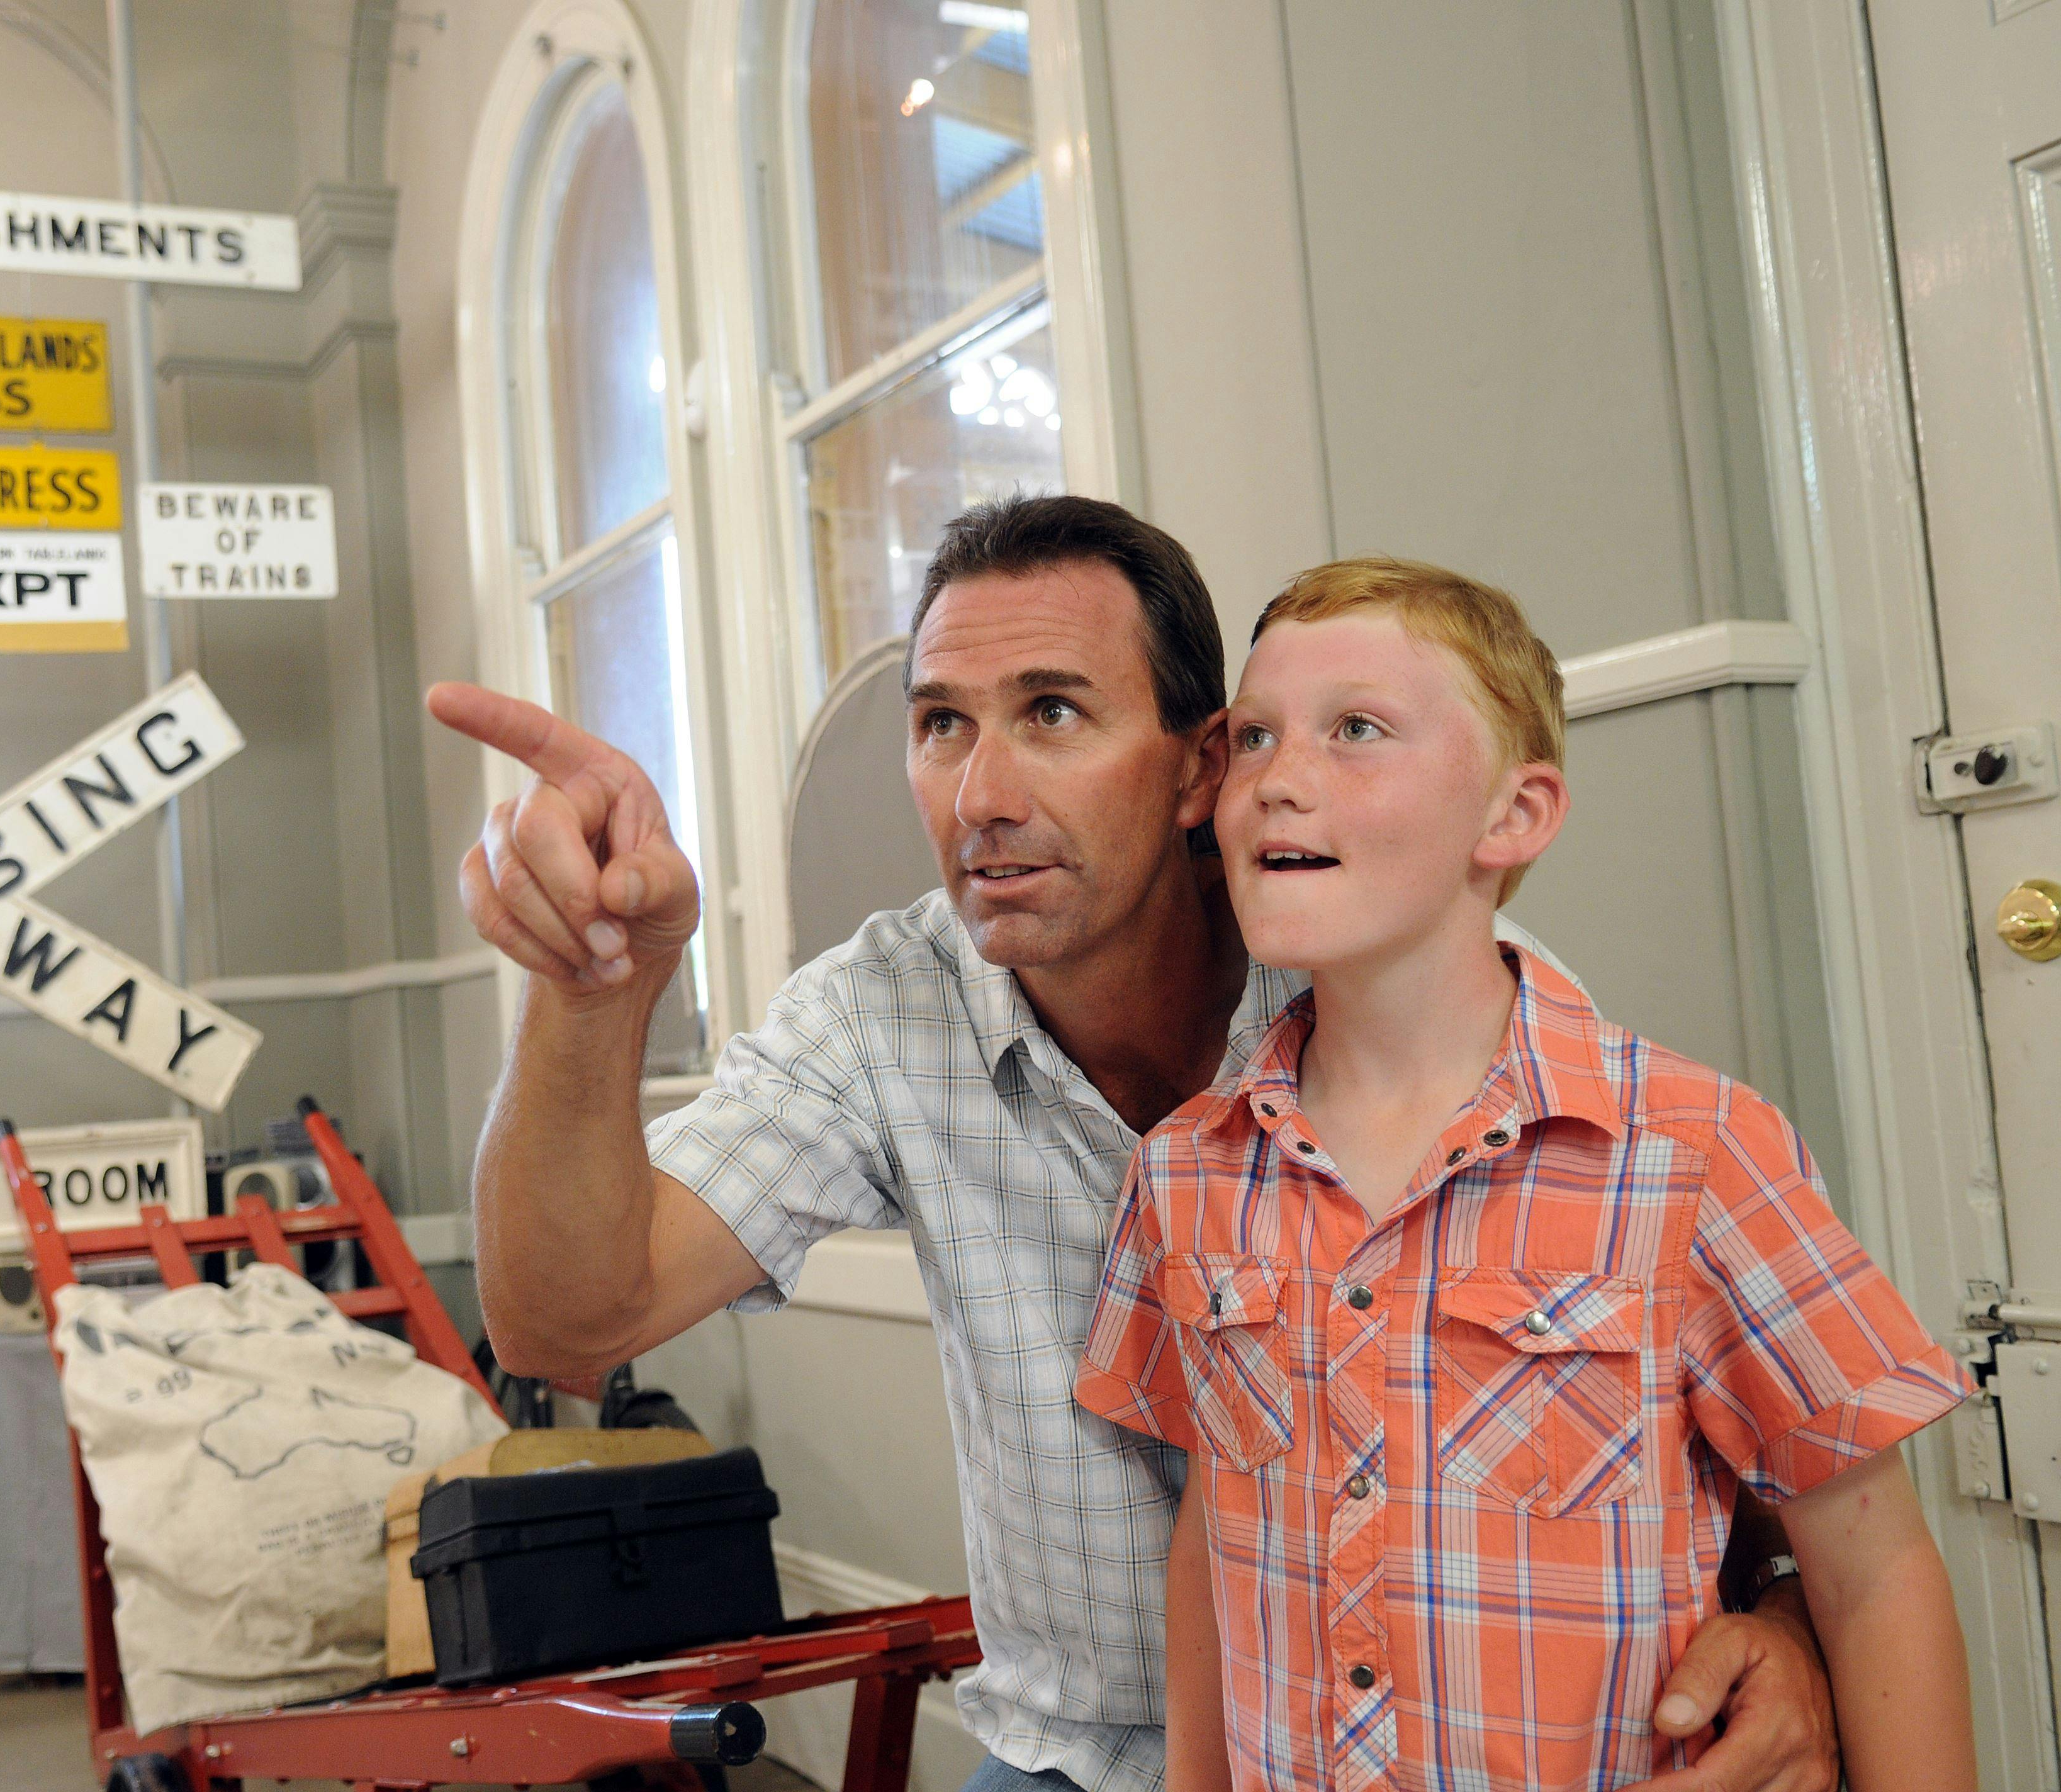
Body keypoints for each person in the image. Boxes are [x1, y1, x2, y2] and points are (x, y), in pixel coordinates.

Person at [427, 495, 1843, 1791]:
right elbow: (563, 1321)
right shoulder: (879, 1013)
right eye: (940, 724)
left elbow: (1685, 1377)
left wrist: (1781, 1610)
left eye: (1052, 712)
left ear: (1197, 767)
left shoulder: (1427, 989)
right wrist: (592, 991)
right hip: (1080, 1749)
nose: (979, 794)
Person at [1074, 556, 1972, 1791]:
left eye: (1356, 730)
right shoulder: (1184, 1170)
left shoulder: (1691, 1151)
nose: (1276, 778)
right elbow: (1210, 1536)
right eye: (1255, 738)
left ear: (1513, 815)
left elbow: (1873, 1570)